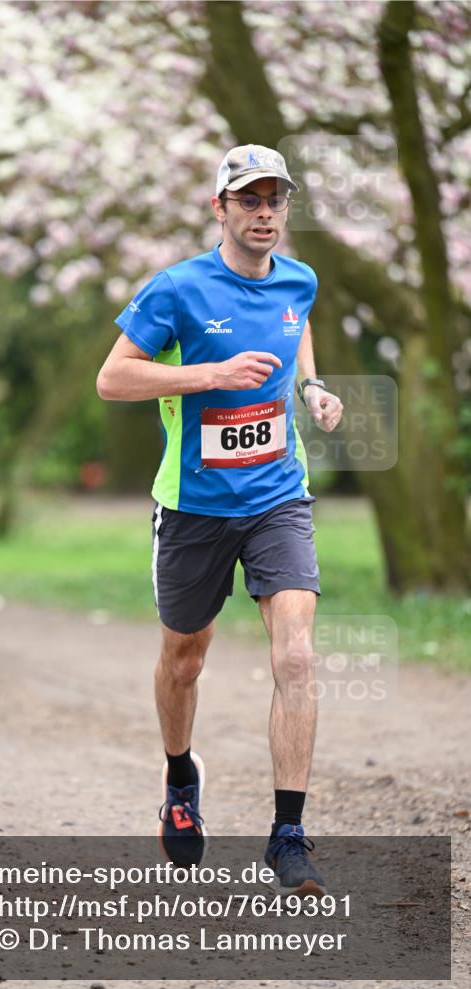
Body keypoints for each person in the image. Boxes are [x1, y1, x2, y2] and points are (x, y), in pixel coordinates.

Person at [97, 143, 345, 895]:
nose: (263, 211)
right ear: (220, 209)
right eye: (248, 199)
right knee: (184, 662)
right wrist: (208, 374)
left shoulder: (298, 279)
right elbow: (112, 379)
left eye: (274, 198)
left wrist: (312, 387)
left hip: (277, 496)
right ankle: (179, 781)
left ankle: (288, 834)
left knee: (296, 657)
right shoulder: (174, 290)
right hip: (194, 508)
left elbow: (294, 321)